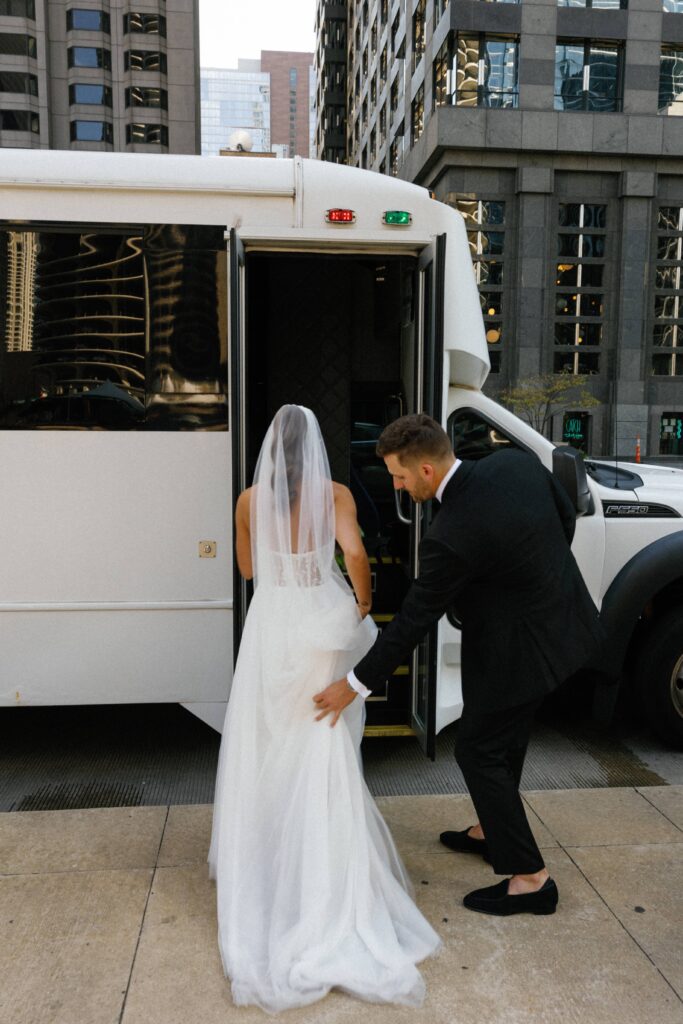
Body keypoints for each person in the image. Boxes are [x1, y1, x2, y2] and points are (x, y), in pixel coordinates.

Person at [314, 413, 604, 917]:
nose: (399, 489)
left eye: (400, 478)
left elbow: (411, 622)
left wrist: (355, 683)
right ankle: (492, 828)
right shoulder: (514, 464)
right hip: (560, 622)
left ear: (426, 470)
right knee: (504, 739)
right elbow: (564, 517)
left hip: (524, 649)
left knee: (478, 749)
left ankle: (531, 879)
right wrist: (532, 577)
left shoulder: (450, 533)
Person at [208, 405, 440, 1014]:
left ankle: (265, 860)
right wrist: (361, 601)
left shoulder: (247, 501)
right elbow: (355, 554)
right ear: (313, 448)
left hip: (272, 626)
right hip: (316, 620)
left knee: (270, 737)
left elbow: (248, 569)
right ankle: (321, 865)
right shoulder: (335, 492)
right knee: (321, 737)